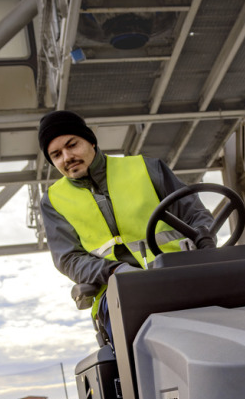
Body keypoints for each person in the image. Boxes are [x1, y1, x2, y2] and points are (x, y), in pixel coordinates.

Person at [37, 110, 216, 344]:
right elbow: (69, 258)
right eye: (56, 154)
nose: (67, 157)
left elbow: (196, 215)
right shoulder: (53, 201)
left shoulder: (146, 168)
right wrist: (114, 272)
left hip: (178, 274)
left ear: (91, 141)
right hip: (117, 292)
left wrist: (203, 243)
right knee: (145, 343)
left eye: (72, 145)